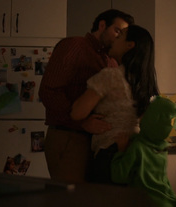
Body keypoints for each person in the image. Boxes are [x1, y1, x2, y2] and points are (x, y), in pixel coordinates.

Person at [38, 9, 134, 184]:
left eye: (123, 35)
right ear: (102, 25)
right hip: (69, 136)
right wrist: (82, 121)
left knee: (89, 203)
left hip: (95, 142)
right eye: (117, 31)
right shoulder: (74, 46)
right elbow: (49, 91)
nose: (118, 38)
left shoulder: (111, 61)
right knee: (70, 202)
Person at [70, 24, 159, 184]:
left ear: (129, 45)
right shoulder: (147, 84)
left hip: (110, 153)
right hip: (136, 155)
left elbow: (77, 112)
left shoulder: (110, 76)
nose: (113, 39)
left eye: (120, 36)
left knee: (103, 206)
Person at [111, 96, 176, 207]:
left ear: (152, 118)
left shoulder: (138, 147)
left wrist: (121, 151)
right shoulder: (162, 149)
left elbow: (119, 176)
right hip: (166, 206)